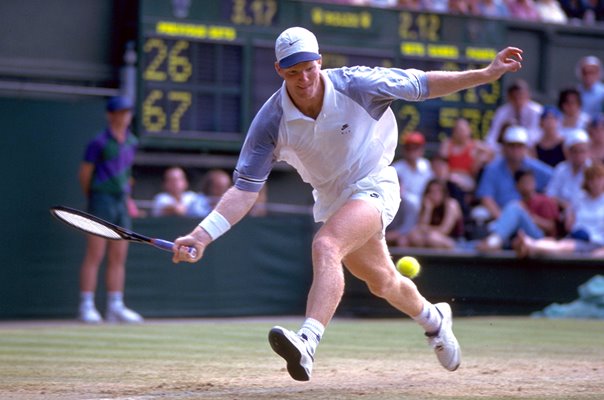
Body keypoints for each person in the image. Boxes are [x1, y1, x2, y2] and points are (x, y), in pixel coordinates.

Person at [171, 26, 524, 381]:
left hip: (375, 182)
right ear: (280, 71)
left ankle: (307, 341)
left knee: (326, 245)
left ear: (320, 62)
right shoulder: (270, 121)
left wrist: (485, 74)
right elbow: (245, 191)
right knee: (383, 282)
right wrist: (202, 235)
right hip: (332, 198)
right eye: (293, 72)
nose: (304, 78)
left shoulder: (357, 84)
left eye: (309, 68)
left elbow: (424, 85)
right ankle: (435, 320)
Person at [77, 96, 143, 324]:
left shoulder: (132, 142)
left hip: (121, 202)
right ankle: (86, 305)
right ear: (110, 115)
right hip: (101, 200)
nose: (125, 116)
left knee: (118, 256)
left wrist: (127, 200)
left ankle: (115, 306)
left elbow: (126, 174)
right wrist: (95, 197)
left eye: (128, 112)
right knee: (95, 254)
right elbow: (84, 175)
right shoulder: (98, 143)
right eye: (120, 112)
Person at [514, 163, 604, 257]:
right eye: (592, 179)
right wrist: (570, 216)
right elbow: (569, 226)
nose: (595, 183)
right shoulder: (579, 198)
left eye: (599, 178)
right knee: (558, 243)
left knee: (565, 246)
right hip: (578, 238)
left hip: (597, 242)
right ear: (587, 181)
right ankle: (529, 245)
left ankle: (530, 245)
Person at [475, 125, 553, 221]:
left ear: (525, 148)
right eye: (512, 146)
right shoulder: (492, 169)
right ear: (504, 147)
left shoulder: (536, 168)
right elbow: (486, 198)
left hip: (530, 220)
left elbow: (555, 183)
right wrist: (503, 220)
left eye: (519, 146)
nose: (515, 150)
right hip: (501, 216)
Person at [476, 169, 559, 252]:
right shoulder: (520, 203)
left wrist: (528, 216)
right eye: (524, 182)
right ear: (517, 186)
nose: (528, 185)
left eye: (530, 181)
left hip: (541, 241)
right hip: (519, 239)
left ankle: (493, 242)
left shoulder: (544, 200)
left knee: (514, 208)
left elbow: (551, 227)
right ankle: (492, 240)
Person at [485, 79, 543, 152]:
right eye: (514, 97)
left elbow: (537, 135)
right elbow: (492, 136)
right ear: (509, 97)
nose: (518, 101)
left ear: (528, 95)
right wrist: (494, 148)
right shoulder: (502, 112)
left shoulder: (537, 111)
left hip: (530, 149)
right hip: (505, 150)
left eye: (521, 96)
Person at [438, 117, 494, 193]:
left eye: (462, 130)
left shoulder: (476, 146)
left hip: (467, 179)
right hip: (449, 178)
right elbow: (441, 164)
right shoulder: (447, 145)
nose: (459, 132)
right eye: (457, 129)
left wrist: (479, 160)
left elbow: (491, 154)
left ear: (469, 130)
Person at [407, 179, 464, 249]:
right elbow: (420, 227)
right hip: (430, 236)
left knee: (432, 238)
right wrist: (428, 210)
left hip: (455, 240)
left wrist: (426, 230)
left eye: (438, 191)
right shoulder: (428, 205)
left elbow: (445, 230)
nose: (435, 195)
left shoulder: (451, 204)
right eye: (432, 192)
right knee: (414, 236)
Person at [545, 128, 592, 212]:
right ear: (569, 152)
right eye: (575, 151)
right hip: (560, 210)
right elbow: (550, 194)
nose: (579, 155)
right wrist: (564, 205)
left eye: (582, 151)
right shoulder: (561, 169)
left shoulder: (592, 170)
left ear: (588, 152)